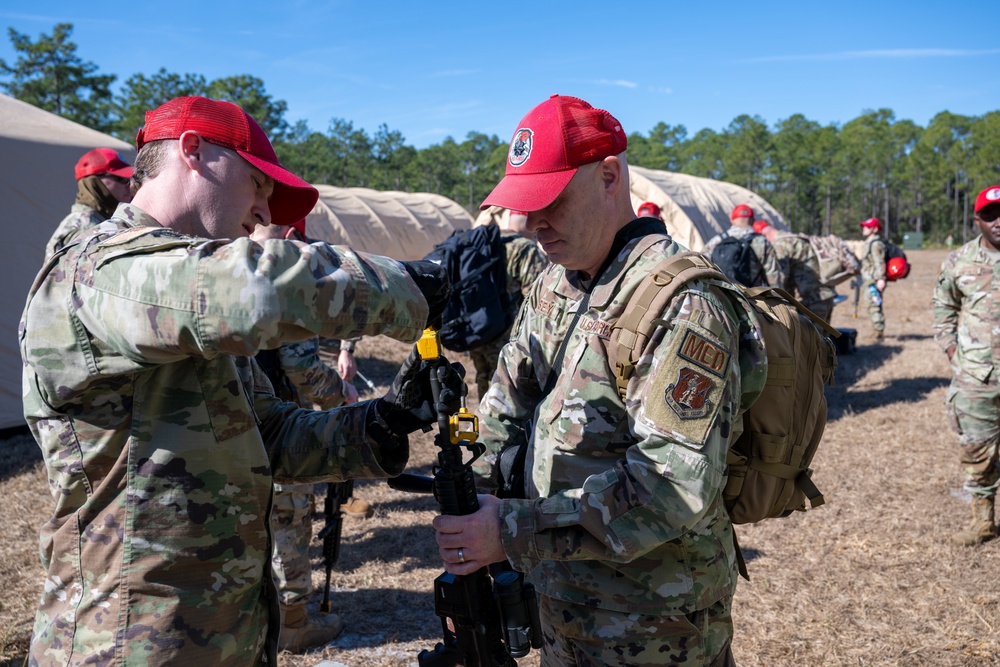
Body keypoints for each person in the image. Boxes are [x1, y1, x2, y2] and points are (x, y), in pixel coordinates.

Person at [19, 95, 463, 666]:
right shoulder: (96, 269)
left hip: (225, 636)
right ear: (193, 152)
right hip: (126, 643)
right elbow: (254, 290)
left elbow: (269, 437)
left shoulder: (190, 306)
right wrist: (413, 285)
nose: (264, 213)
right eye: (256, 184)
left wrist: (383, 419)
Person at [432, 94, 766, 666]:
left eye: (551, 202)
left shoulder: (683, 303)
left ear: (609, 177)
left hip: (656, 622)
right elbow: (507, 401)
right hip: (563, 603)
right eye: (525, 206)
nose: (534, 225)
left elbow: (670, 487)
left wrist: (510, 531)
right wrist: (473, 498)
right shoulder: (555, 283)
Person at [249, 220, 366, 652]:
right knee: (290, 519)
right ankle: (293, 620)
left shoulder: (230, 265)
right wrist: (340, 396)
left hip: (234, 422)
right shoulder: (285, 277)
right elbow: (301, 366)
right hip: (279, 420)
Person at [932, 185, 1000, 546]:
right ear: (977, 220)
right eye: (990, 214)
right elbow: (943, 310)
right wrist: (954, 355)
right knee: (977, 450)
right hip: (977, 376)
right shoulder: (959, 261)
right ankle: (983, 521)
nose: (998, 221)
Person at [467, 209, 548, 400]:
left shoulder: (484, 243)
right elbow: (537, 301)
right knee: (507, 393)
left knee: (484, 382)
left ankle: (481, 426)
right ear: (529, 221)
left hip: (477, 332)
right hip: (507, 340)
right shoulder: (525, 249)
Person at [45, 147, 134, 260]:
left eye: (130, 179)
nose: (129, 185)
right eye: (120, 179)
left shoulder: (98, 220)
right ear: (94, 182)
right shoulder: (85, 225)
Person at [754, 220, 837, 322]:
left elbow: (781, 278)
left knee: (809, 337)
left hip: (810, 301)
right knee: (824, 337)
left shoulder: (781, 245)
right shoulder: (796, 238)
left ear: (762, 234)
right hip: (826, 294)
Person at [701, 204, 784, 288]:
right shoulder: (761, 242)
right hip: (752, 296)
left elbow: (702, 264)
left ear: (732, 221)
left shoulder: (716, 241)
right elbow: (773, 276)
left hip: (723, 294)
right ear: (753, 221)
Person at [859, 217, 888, 340]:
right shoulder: (869, 242)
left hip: (874, 281)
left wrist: (880, 279)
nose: (864, 228)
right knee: (870, 304)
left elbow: (879, 262)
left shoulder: (875, 244)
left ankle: (878, 332)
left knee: (874, 305)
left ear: (875, 229)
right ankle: (876, 329)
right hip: (869, 279)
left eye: (867, 226)